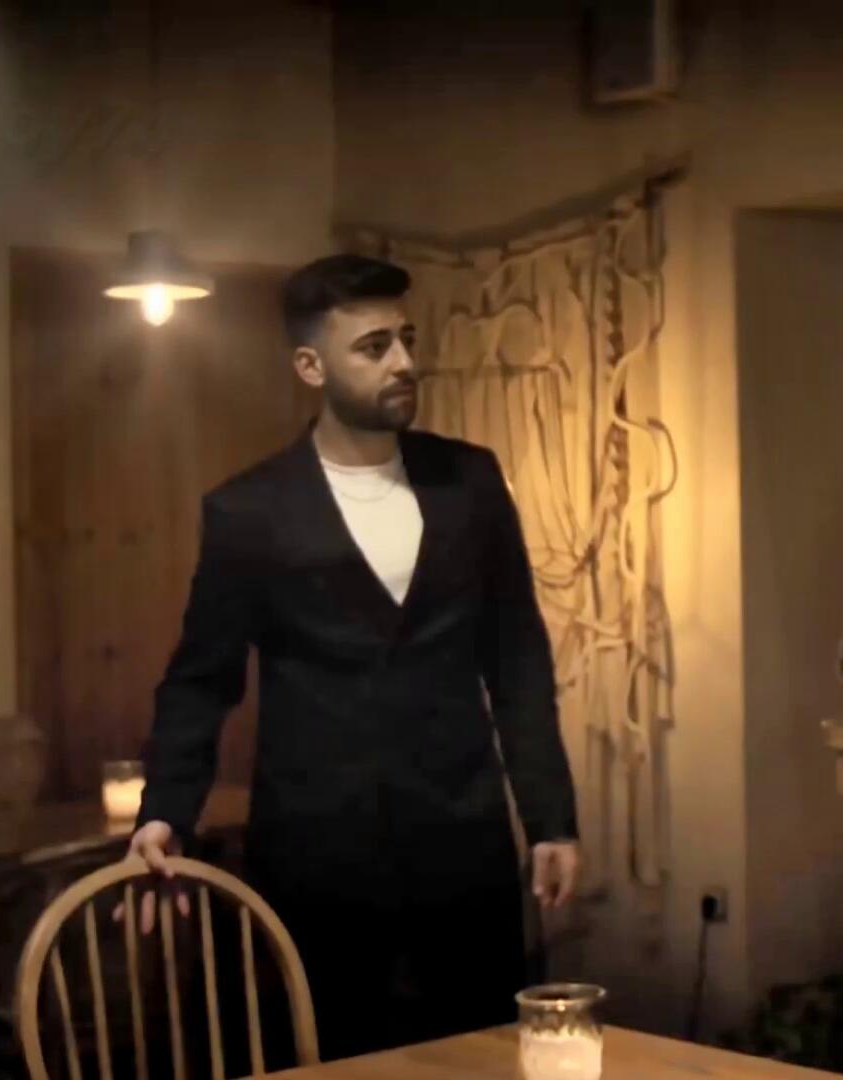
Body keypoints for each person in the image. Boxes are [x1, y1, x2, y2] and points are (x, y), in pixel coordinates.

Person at [122, 253, 581, 1061]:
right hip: (315, 856)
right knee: (327, 1057)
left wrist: (550, 817)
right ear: (311, 366)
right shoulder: (250, 511)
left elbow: (516, 658)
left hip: (462, 844)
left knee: (481, 1058)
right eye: (374, 347)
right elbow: (201, 679)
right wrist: (166, 810)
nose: (403, 362)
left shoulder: (470, 482)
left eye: (407, 340)